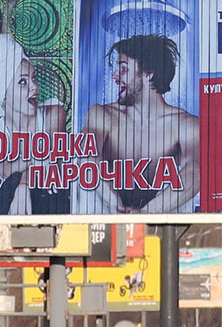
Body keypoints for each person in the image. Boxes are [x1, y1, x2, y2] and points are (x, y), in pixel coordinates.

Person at [80, 34, 199, 213]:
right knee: (83, 180)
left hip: (161, 218)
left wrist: (145, 214)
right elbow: (87, 157)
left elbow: (196, 172)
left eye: (123, 69)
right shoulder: (102, 114)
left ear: (148, 73)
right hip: (107, 212)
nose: (115, 76)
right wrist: (116, 205)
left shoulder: (184, 124)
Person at [0, 33, 67, 214]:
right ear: (3, 94)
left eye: (34, 78)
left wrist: (24, 184)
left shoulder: (54, 114)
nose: (34, 87)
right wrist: (21, 181)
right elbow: (7, 172)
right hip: (10, 202)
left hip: (49, 196)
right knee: (11, 183)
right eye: (23, 82)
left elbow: (46, 157)